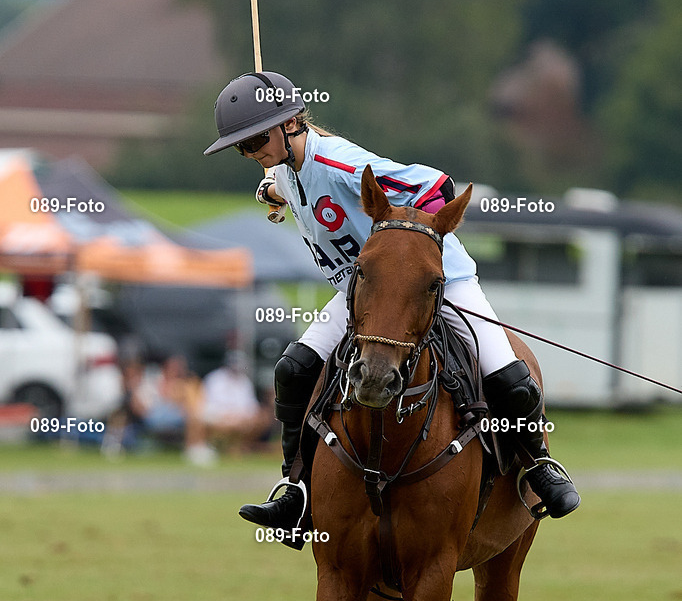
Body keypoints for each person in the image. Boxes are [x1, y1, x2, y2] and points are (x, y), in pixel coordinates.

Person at [204, 71, 580, 537]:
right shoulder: (284, 170)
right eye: (242, 146)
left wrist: (412, 236)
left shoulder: (340, 163)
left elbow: (436, 187)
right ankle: (296, 489)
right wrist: (272, 190)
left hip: (436, 282)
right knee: (293, 370)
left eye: (257, 138)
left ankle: (537, 465)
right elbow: (286, 185)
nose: (252, 151)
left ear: (291, 124)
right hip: (359, 296)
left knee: (507, 375)